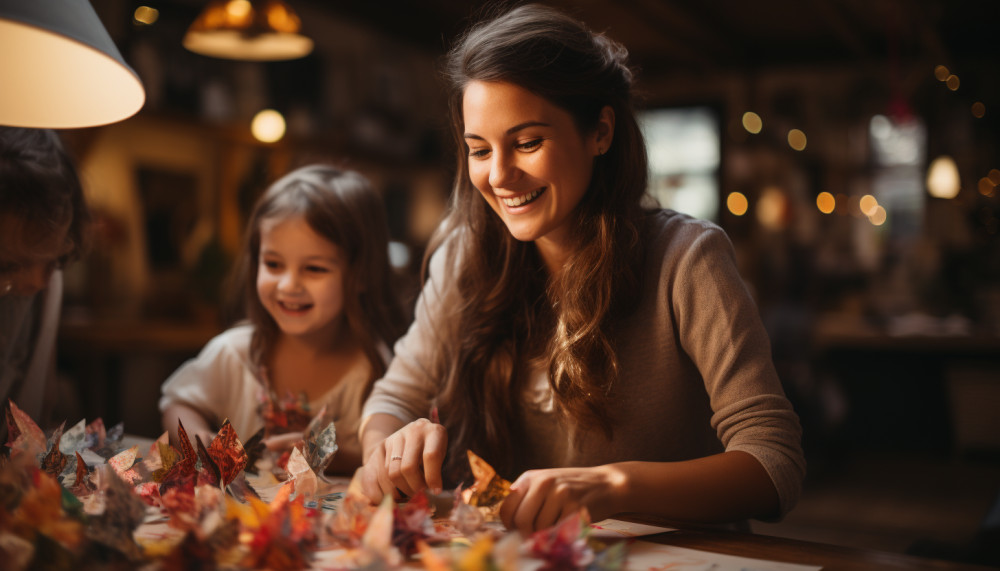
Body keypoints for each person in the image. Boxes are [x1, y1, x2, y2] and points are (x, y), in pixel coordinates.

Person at [358, 4, 806, 533]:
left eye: (527, 142)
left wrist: (613, 487)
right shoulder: (464, 252)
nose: (500, 175)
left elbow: (774, 463)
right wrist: (390, 444)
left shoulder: (687, 258)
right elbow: (392, 397)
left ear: (600, 132)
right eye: (479, 150)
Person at [159, 164, 406, 474]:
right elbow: (178, 404)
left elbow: (381, 456)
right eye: (273, 264)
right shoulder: (234, 352)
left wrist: (328, 456)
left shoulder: (373, 369)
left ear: (362, 276)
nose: (288, 285)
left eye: (314, 268)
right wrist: (198, 440)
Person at [1, 127, 90, 444]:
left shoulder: (48, 288)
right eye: (10, 266)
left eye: (54, 261)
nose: (39, 281)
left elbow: (41, 403)